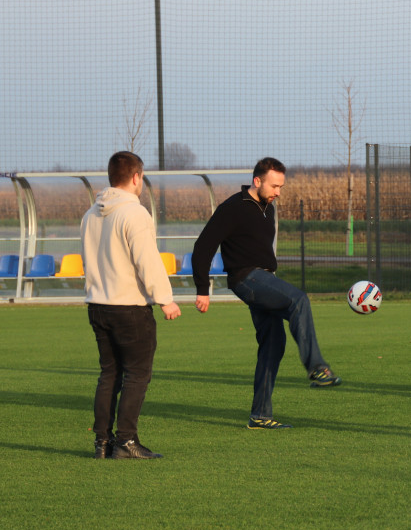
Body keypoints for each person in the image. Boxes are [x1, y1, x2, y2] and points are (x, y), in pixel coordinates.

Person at [192, 157, 341, 430]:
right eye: (274, 186)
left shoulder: (268, 208)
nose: (278, 193)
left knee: (273, 346)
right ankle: (317, 367)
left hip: (265, 279)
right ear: (257, 181)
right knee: (299, 300)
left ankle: (259, 416)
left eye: (281, 187)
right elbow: (203, 246)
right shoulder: (233, 208)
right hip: (246, 279)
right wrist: (203, 289)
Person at [81, 151, 182, 460]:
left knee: (108, 373)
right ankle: (126, 441)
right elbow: (147, 261)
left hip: (97, 303)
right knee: (137, 374)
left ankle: (102, 442)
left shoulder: (90, 214)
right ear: (137, 177)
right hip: (128, 306)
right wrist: (165, 298)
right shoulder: (135, 214)